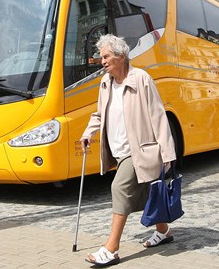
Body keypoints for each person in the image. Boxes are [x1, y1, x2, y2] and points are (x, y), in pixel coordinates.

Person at [80, 34, 177, 267]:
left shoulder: (141, 78)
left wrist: (167, 153)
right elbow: (100, 114)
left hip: (140, 149)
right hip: (119, 150)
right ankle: (163, 231)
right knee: (146, 193)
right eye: (101, 56)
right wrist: (87, 133)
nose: (102, 61)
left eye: (106, 56)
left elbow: (158, 115)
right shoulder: (106, 83)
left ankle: (111, 248)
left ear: (121, 56)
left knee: (120, 188)